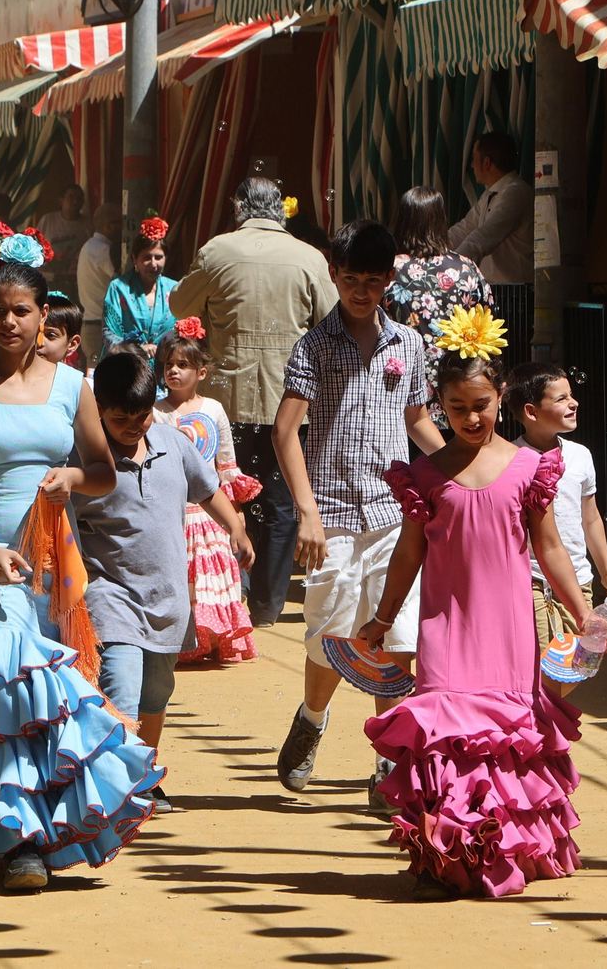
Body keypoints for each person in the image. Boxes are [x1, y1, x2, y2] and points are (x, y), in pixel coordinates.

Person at [0, 254, 161, 893]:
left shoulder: (72, 385)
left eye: (21, 311)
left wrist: (73, 478)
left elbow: (105, 471)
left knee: (48, 698)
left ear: (42, 317)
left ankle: (46, 830)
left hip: (55, 562)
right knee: (13, 686)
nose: (9, 322)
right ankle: (19, 843)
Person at [362, 316, 603, 899]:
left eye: (481, 405)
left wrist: (583, 613)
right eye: (457, 407)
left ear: (502, 398)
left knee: (506, 736)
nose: (471, 418)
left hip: (509, 629)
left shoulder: (529, 468)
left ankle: (501, 858)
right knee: (444, 732)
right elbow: (408, 553)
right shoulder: (425, 475)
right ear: (439, 407)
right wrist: (383, 617)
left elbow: (550, 547)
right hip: (445, 626)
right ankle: (443, 862)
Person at [270, 220, 442, 806]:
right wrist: (307, 513)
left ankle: (387, 761)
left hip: (396, 514)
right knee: (332, 634)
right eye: (351, 280)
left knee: (395, 635)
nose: (362, 292)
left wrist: (461, 472)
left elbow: (417, 419)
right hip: (333, 516)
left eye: (373, 280)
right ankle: (312, 719)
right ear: (333, 275)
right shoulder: (314, 346)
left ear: (390, 278)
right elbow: (285, 432)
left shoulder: (409, 344)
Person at [74, 352, 253, 814]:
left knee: (155, 695)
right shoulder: (85, 457)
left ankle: (143, 773)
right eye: (120, 420)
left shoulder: (173, 442)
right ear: (98, 411)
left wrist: (235, 528)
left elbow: (208, 489)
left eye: (142, 416)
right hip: (110, 595)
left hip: (169, 599)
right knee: (120, 689)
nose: (133, 427)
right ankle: (112, 785)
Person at [171, 176, 338, 627]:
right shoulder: (309, 257)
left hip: (227, 400)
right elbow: (332, 321)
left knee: (224, 494)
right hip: (291, 402)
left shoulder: (217, 251)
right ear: (280, 210)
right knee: (282, 503)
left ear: (239, 207)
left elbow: (180, 305)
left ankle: (231, 592)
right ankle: (267, 605)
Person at [508, 363, 607, 696]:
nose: (573, 403)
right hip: (531, 581)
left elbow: (591, 518)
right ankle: (540, 727)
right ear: (531, 411)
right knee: (540, 672)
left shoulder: (580, 456)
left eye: (571, 395)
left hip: (578, 581)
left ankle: (543, 724)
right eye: (561, 398)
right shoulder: (510, 459)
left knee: (575, 669)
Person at [153, 323, 263, 664]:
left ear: (201, 372)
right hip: (174, 513)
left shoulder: (214, 410)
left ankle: (212, 640)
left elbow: (226, 465)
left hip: (211, 513)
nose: (174, 370)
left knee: (210, 576)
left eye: (183, 365)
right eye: (169, 364)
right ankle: (185, 643)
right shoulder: (155, 412)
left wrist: (236, 520)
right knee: (182, 576)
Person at [388, 186, 494, 410]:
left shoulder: (389, 270)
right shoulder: (466, 268)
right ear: (441, 220)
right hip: (458, 389)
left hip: (402, 387)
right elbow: (488, 320)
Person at [448, 131, 534, 285]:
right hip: (495, 290)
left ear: (486, 162)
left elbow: (484, 236)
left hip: (516, 293)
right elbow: (463, 229)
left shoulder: (516, 193)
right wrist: (430, 249)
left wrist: (447, 267)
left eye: (474, 159)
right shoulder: (490, 194)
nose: (472, 165)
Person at [103, 217, 177, 358]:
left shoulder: (174, 289)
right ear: (134, 259)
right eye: (147, 258)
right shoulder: (118, 288)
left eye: (158, 257)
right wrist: (137, 349)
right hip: (129, 364)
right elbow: (109, 334)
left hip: (165, 365)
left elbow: (181, 331)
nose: (153, 264)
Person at [77, 202, 122, 360]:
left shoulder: (89, 246)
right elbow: (121, 282)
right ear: (108, 226)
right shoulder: (103, 249)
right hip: (99, 327)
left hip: (92, 324)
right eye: (119, 222)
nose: (123, 227)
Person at [36, 184, 93, 296]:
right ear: (61, 201)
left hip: (76, 282)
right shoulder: (48, 220)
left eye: (79, 198)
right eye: (71, 197)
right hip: (49, 281)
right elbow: (35, 245)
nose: (75, 201)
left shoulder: (88, 225)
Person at [37, 294, 84, 369]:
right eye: (33, 334)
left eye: (50, 335)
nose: (38, 342)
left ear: (72, 344)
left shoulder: (74, 377)